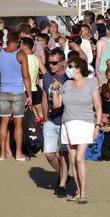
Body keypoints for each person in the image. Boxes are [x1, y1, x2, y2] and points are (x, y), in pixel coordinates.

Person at [52, 56, 102, 204]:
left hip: (85, 123)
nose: (68, 69)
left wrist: (97, 126)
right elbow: (57, 105)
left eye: (70, 66)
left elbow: (98, 107)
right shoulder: (67, 84)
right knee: (73, 159)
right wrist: (56, 90)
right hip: (68, 123)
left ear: (79, 68)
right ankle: (78, 192)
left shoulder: (91, 83)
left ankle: (84, 193)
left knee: (80, 158)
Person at [0, 31, 32, 161]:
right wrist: (29, 94)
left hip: (4, 91)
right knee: (18, 124)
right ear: (18, 41)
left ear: (7, 40)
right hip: (18, 91)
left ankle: (2, 153)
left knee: (4, 122)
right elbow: (26, 76)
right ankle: (18, 154)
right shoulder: (20, 54)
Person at [40, 48, 70, 197]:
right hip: (51, 120)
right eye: (49, 63)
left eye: (54, 63)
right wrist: (45, 118)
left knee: (64, 153)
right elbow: (45, 97)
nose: (51, 66)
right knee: (50, 154)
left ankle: (62, 184)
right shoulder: (46, 77)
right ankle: (63, 174)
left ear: (63, 62)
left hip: (66, 120)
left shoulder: (70, 77)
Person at [20, 37, 45, 119]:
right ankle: (40, 129)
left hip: (24, 89)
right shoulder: (36, 58)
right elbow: (43, 72)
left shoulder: (23, 59)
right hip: (35, 88)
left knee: (21, 116)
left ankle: (26, 131)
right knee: (40, 115)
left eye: (20, 44)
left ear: (24, 46)